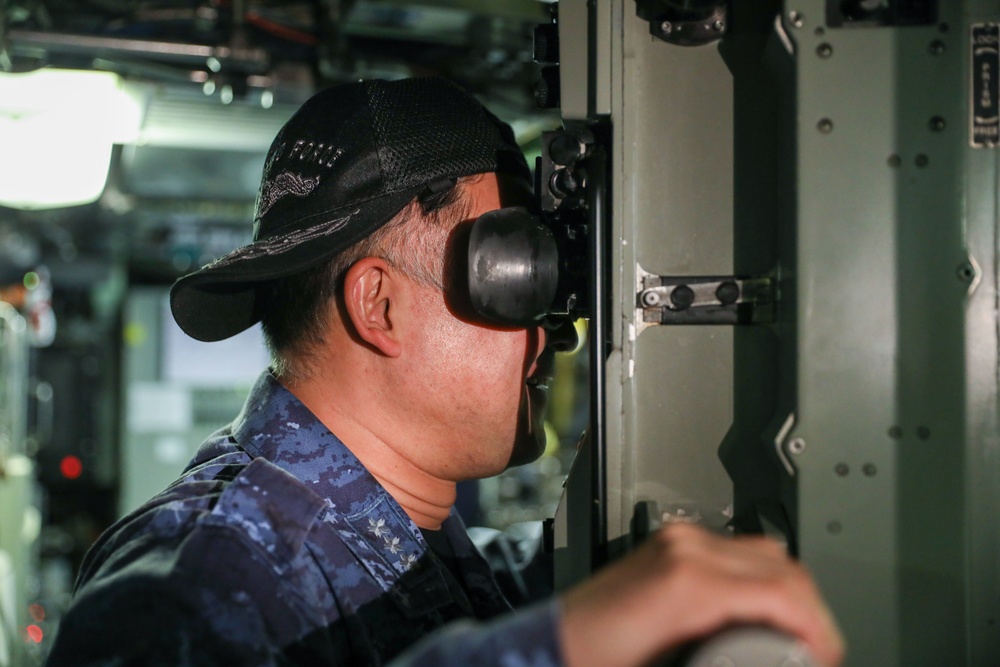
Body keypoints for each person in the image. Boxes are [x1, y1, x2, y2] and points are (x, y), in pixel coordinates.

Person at [46, 76, 843, 667]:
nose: (550, 332)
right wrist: (560, 647)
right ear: (380, 306)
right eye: (517, 273)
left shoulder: (404, 543)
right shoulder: (195, 590)